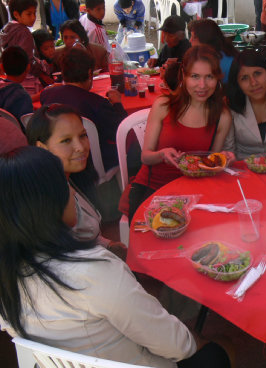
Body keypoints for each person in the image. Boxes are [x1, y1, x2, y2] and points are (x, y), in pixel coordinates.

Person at [0, 146, 231, 368]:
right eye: (64, 184)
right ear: (46, 205)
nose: (71, 191)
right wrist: (197, 340)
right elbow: (177, 346)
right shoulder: (95, 270)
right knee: (212, 356)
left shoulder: (7, 273)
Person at [127, 46, 232, 221]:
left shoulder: (222, 116)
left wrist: (222, 161)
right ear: (184, 75)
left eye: (209, 77)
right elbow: (145, 157)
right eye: (195, 76)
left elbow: (210, 164)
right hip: (153, 188)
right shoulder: (163, 106)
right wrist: (162, 154)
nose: (202, 85)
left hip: (195, 193)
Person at [25, 104, 127, 259]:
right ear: (41, 147)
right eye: (66, 140)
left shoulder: (68, 178)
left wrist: (108, 244)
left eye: (82, 135)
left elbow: (83, 234)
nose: (80, 147)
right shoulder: (46, 200)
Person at [41, 47, 127, 171]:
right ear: (89, 73)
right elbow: (122, 132)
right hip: (91, 162)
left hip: (55, 158)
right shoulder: (97, 103)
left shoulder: (47, 94)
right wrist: (117, 104)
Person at [0, 0, 46, 96]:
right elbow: (27, 59)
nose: (33, 17)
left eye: (34, 13)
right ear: (16, 14)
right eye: (29, 14)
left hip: (9, 76)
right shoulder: (25, 33)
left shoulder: (7, 29)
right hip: (25, 77)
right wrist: (41, 72)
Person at [188, 19, 238, 84]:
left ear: (204, 40)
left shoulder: (215, 61)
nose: (190, 40)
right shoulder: (225, 50)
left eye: (194, 37)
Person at [0, 46, 33, 123]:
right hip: (15, 134)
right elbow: (28, 127)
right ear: (28, 67)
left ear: (2, 67)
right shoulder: (22, 97)